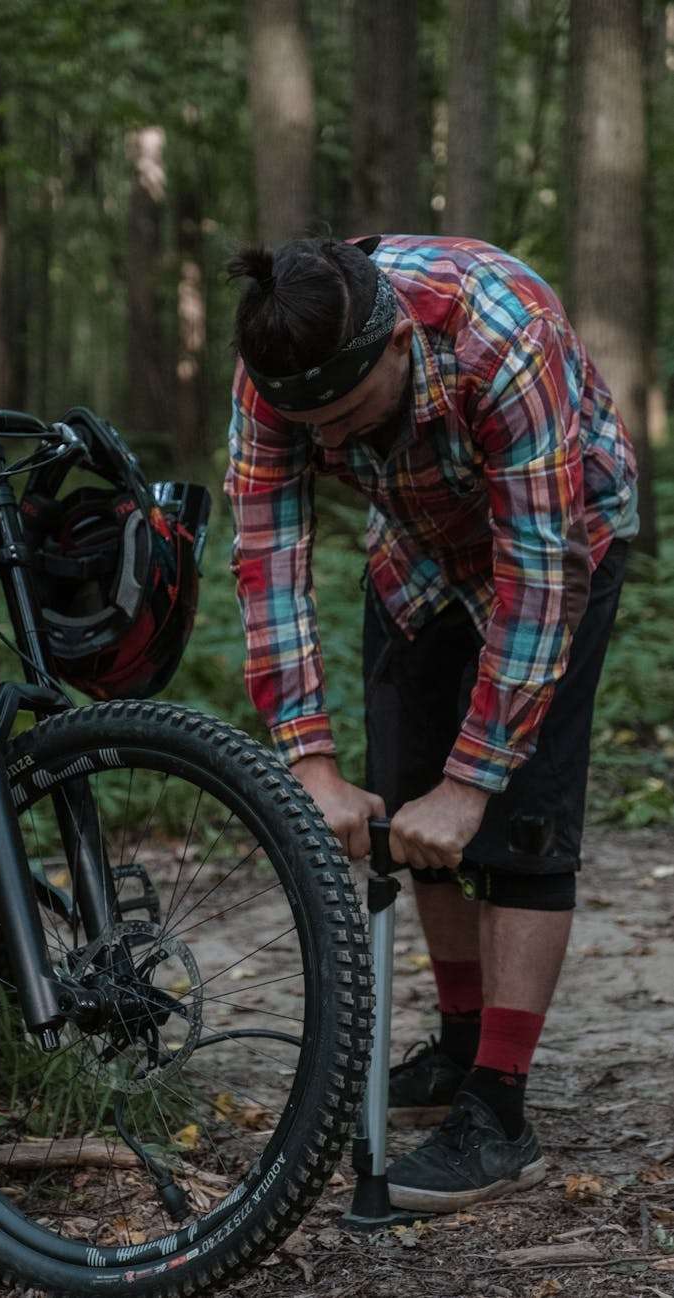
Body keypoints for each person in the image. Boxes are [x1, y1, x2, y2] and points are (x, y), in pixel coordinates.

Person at [224, 234, 638, 1213]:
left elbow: (537, 578)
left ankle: (499, 1107)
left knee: (521, 817)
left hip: (558, 535)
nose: (338, 441)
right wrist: (310, 761)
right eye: (316, 428)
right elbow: (267, 556)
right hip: (411, 551)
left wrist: (476, 781)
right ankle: (458, 1046)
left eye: (354, 416)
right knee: (407, 803)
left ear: (399, 342)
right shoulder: (275, 381)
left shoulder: (504, 337)